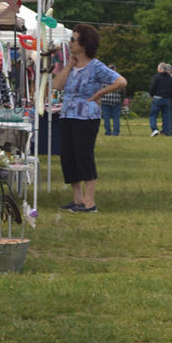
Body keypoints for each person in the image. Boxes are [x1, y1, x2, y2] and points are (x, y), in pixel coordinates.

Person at [52, 24, 127, 213]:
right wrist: (69, 65)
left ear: (84, 43)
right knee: (68, 157)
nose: (70, 43)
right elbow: (57, 85)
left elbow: (120, 81)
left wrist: (99, 94)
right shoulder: (71, 66)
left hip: (86, 117)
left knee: (83, 156)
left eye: (73, 40)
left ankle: (89, 202)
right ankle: (76, 198)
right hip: (68, 114)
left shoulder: (96, 67)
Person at [148, 63, 172, 137]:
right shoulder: (170, 78)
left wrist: (152, 95)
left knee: (153, 115)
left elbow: (152, 87)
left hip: (157, 98)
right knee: (166, 116)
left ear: (160, 69)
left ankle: (154, 129)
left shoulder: (156, 77)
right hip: (167, 99)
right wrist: (170, 96)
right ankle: (167, 132)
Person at [99, 66, 124, 136]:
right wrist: (122, 99)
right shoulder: (118, 79)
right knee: (116, 117)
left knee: (106, 117)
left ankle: (108, 132)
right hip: (116, 100)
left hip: (105, 100)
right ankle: (116, 132)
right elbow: (122, 90)